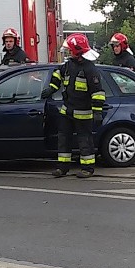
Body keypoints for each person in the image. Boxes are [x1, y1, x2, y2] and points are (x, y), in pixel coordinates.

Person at [42, 33, 106, 178]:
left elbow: (98, 93)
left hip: (83, 113)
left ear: (77, 50)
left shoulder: (90, 69)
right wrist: (52, 87)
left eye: (71, 50)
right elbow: (58, 74)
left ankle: (87, 168)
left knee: (85, 141)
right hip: (67, 111)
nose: (69, 52)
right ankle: (62, 168)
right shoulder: (69, 65)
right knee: (63, 139)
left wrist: (97, 112)